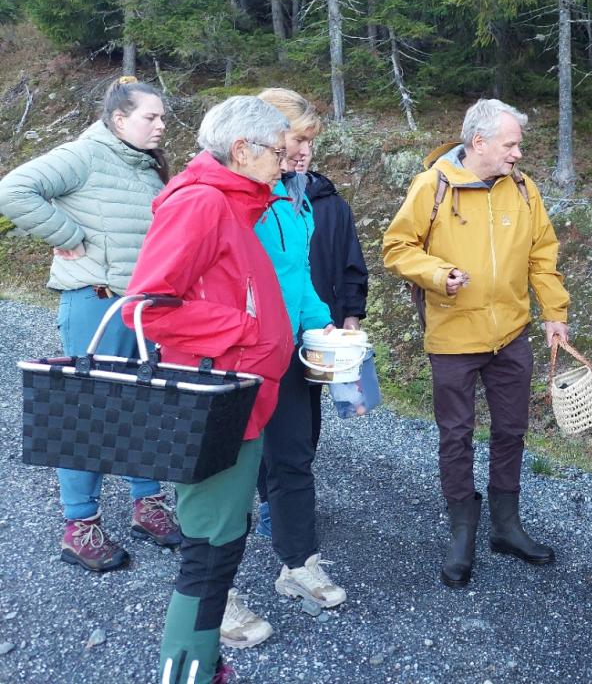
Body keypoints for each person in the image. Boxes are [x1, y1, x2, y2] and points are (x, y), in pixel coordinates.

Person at [124, 96, 295, 684]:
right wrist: (247, 330)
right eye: (278, 150)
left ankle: (203, 661)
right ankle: (188, 668)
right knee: (211, 541)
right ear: (242, 150)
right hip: (212, 399)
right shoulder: (200, 203)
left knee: (222, 535)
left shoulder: (233, 205)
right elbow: (145, 309)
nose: (288, 161)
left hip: (238, 395)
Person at [382, 98, 570, 588]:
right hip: (452, 337)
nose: (518, 154)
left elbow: (541, 257)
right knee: (456, 434)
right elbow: (397, 248)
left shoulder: (525, 191)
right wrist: (437, 274)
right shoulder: (433, 186)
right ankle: (462, 531)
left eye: (519, 145)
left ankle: (506, 527)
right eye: (511, 144)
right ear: (479, 142)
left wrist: (554, 312)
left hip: (511, 335)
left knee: (511, 431)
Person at [0, 76, 180, 571]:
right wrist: (68, 234)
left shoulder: (144, 166)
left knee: (144, 406)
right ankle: (80, 526)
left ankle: (148, 505)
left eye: (162, 117)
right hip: (96, 303)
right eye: (152, 116)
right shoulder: (85, 153)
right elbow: (13, 189)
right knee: (86, 414)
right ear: (120, 119)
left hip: (144, 308)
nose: (162, 125)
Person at [218, 88, 351, 651]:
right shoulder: (228, 202)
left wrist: (324, 329)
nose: (302, 153)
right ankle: (216, 594)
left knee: (293, 462)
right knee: (229, 478)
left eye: (307, 142)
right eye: (295, 141)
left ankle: (297, 564)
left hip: (289, 357)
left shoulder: (296, 201)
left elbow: (298, 283)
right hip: (237, 363)